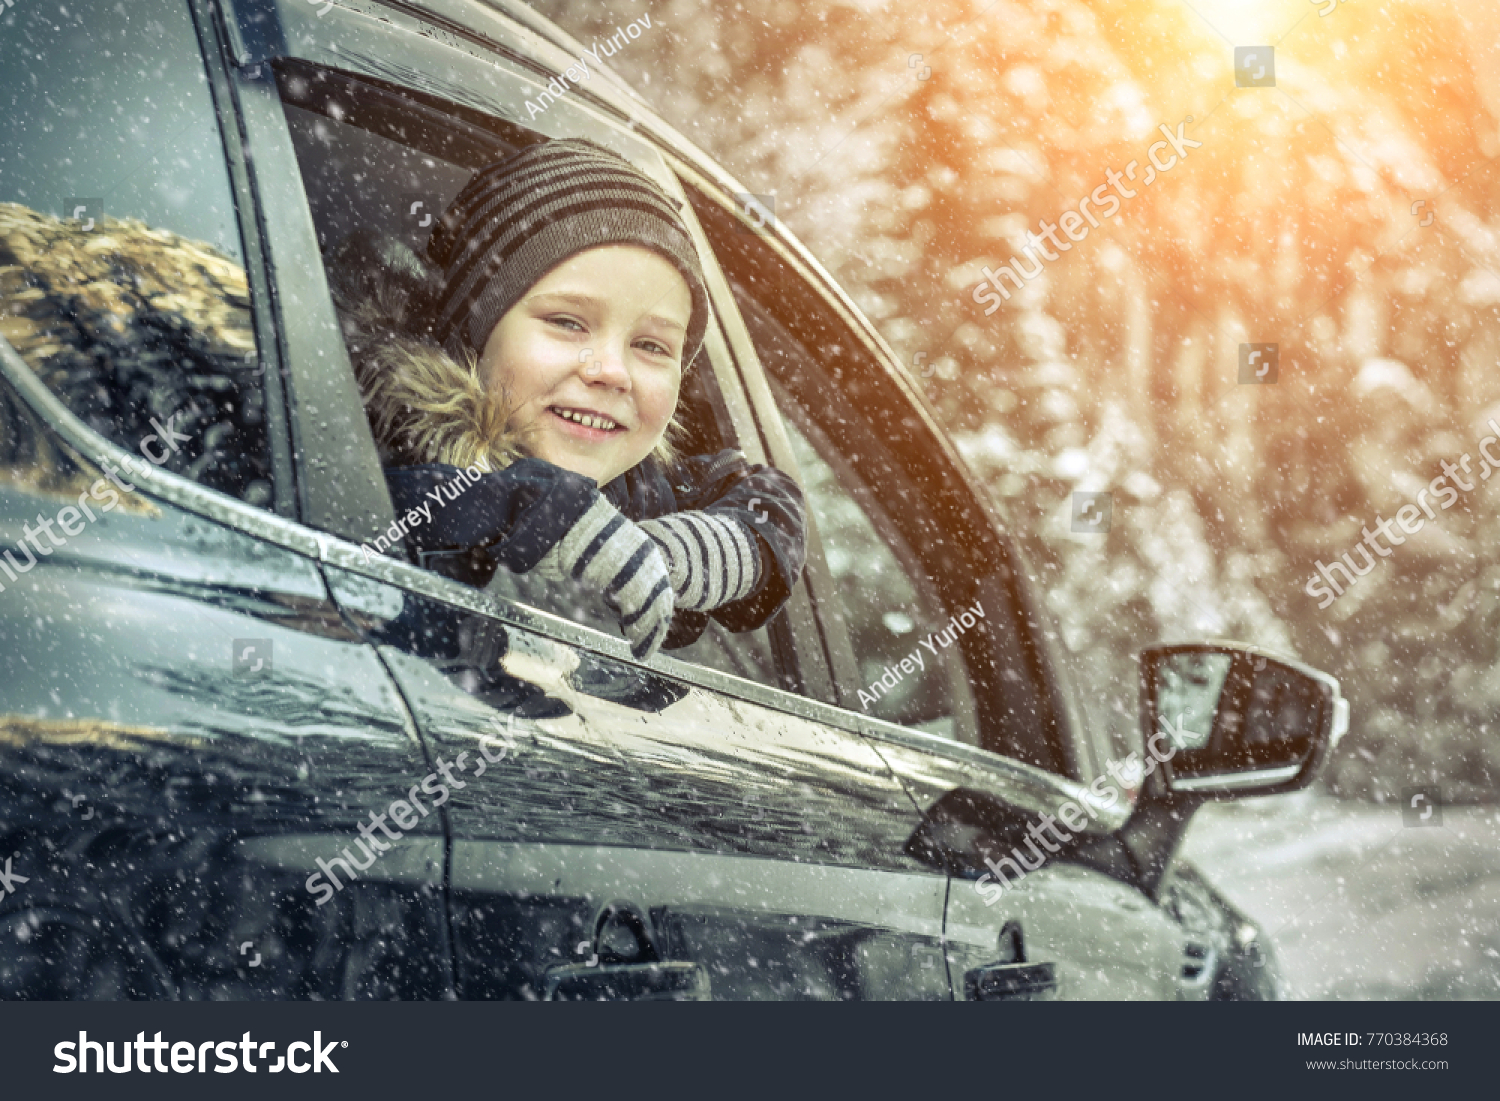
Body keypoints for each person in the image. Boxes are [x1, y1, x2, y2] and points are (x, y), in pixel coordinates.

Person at [331, 138, 805, 660]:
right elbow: (409, 500)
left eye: (650, 345)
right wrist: (549, 516)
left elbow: (769, 501)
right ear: (473, 332)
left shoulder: (643, 487)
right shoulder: (369, 443)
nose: (611, 372)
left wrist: (682, 552)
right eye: (566, 322)